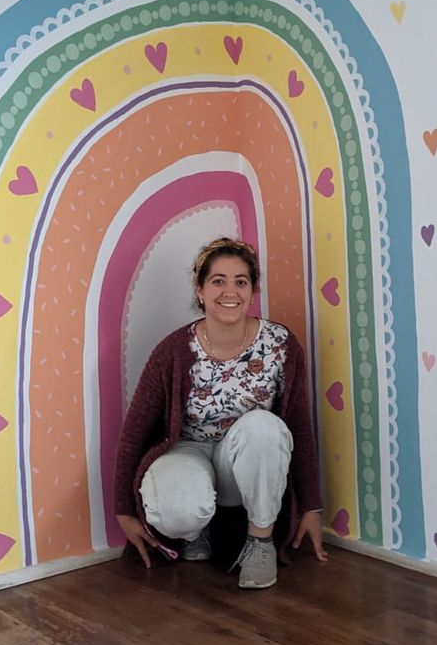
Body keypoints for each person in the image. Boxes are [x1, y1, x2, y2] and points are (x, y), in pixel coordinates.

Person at [114, 236, 327, 589]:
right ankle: (195, 530)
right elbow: (135, 429)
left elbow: (299, 428)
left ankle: (260, 544)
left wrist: (312, 507)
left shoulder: (280, 345)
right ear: (200, 290)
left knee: (265, 428)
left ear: (253, 289)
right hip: (188, 451)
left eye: (241, 281)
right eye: (218, 281)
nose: (231, 291)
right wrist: (123, 510)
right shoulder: (173, 351)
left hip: (240, 459)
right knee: (176, 509)